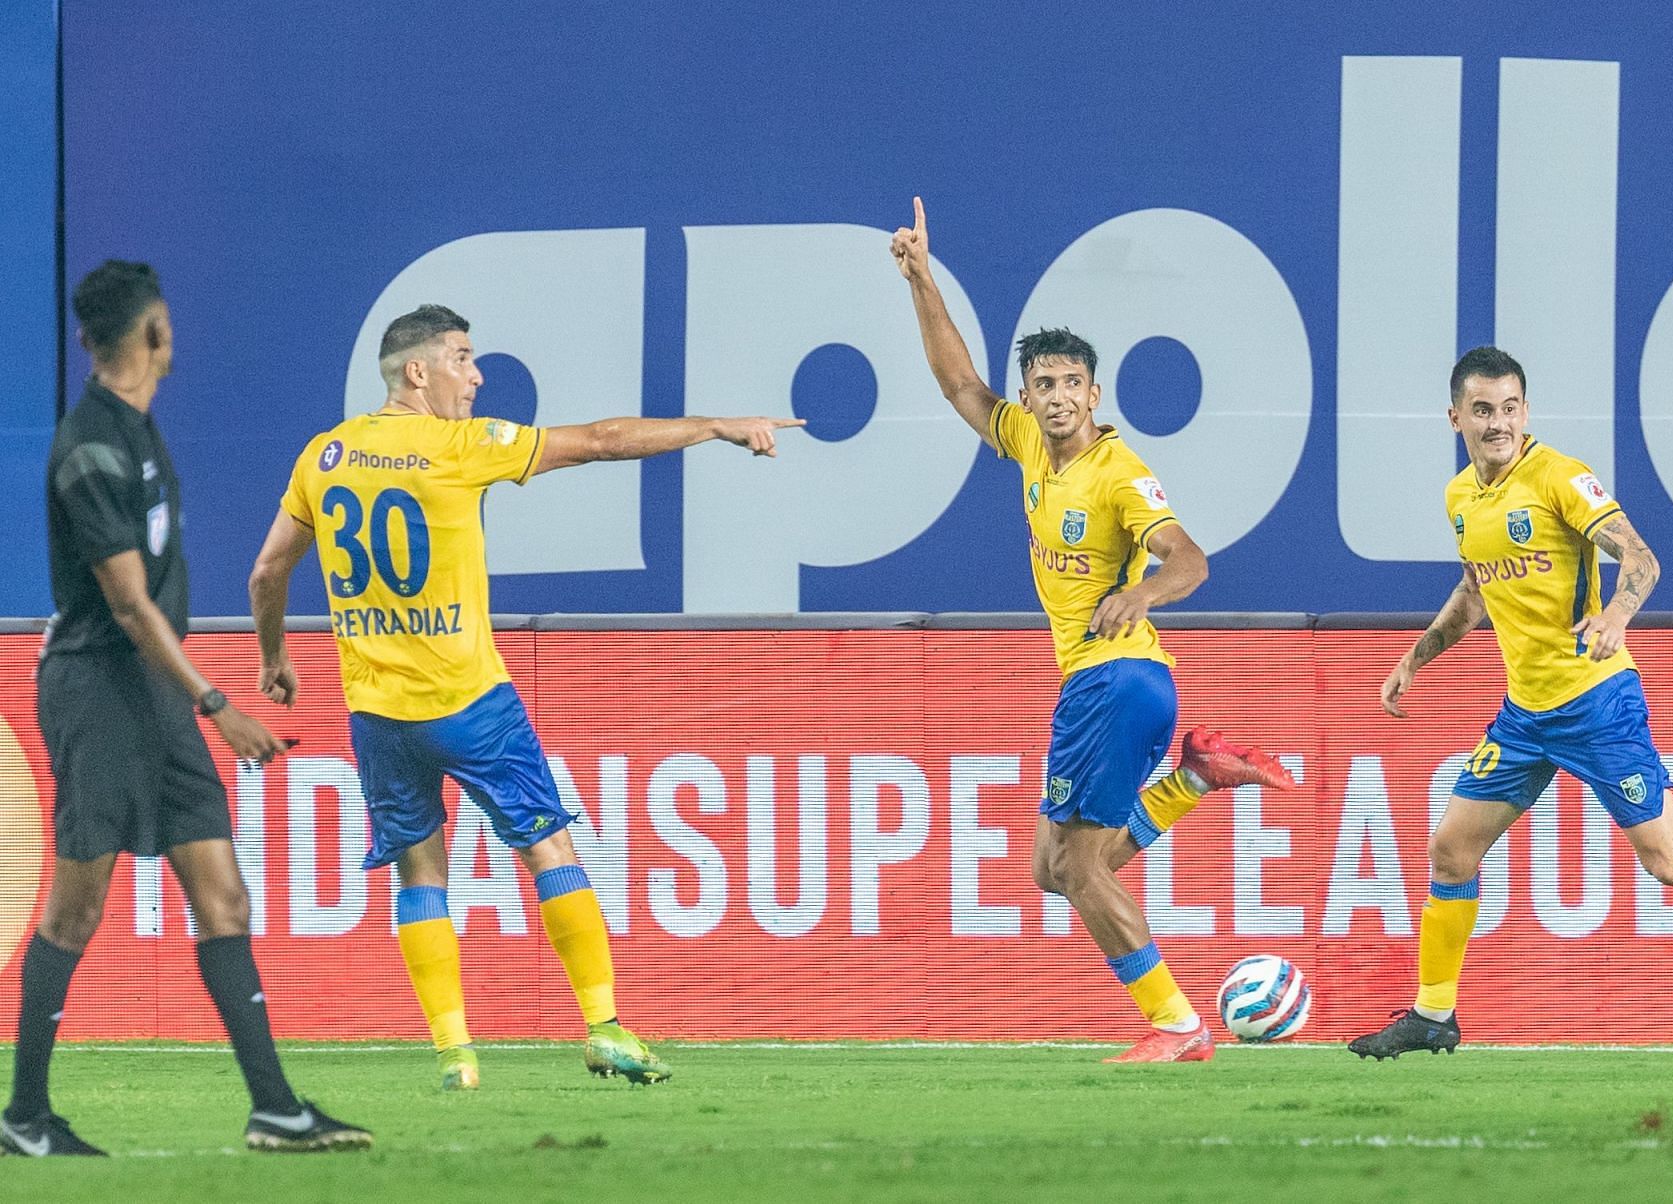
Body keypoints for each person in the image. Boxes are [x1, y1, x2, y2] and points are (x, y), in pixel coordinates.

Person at [248, 304, 799, 1091]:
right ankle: (604, 1027)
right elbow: (602, 442)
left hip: (378, 713)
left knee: (420, 875)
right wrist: (714, 425)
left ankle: (455, 1054)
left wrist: (274, 657)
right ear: (418, 371)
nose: (476, 377)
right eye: (464, 359)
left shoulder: (323, 456)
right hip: (471, 701)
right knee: (548, 850)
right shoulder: (459, 446)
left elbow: (267, 572)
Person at [1349, 345, 1673, 1060]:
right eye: (1482, 410)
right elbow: (1476, 592)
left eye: (1510, 408)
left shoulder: (1561, 477)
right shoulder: (1460, 500)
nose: (1498, 423)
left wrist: (1616, 618)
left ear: (1526, 411)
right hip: (1526, 715)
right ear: (1456, 418)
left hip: (1598, 704)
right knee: (1451, 849)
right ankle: (1433, 1015)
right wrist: (1415, 659)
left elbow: (1641, 557)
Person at [890, 198, 1296, 1063]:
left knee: (1079, 869)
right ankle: (1193, 779)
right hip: (1103, 684)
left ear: (1095, 394)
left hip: (1118, 679)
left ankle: (1178, 1027)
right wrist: (922, 278)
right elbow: (961, 384)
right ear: (1031, 397)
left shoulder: (1120, 472)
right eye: (1045, 385)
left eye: (1074, 383)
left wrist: (1144, 591)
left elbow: (1190, 560)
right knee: (1053, 866)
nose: (1060, 397)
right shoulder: (1032, 447)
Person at [4, 261, 370, 1156]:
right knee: (76, 908)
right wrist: (218, 704)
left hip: (154, 696)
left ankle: (275, 1109)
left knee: (224, 896)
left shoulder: (135, 431)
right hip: (100, 693)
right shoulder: (90, 445)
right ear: (153, 333)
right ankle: (24, 1118)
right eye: (169, 324)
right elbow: (128, 606)